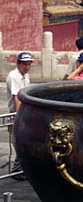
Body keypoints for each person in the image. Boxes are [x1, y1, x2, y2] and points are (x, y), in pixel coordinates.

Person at [6, 51, 33, 180]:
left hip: (24, 111)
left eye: (29, 64)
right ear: (18, 63)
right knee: (19, 140)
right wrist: (19, 116)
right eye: (24, 64)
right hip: (17, 113)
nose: (27, 67)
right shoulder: (14, 76)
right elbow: (16, 96)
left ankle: (20, 168)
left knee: (24, 140)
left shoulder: (25, 76)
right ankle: (17, 168)